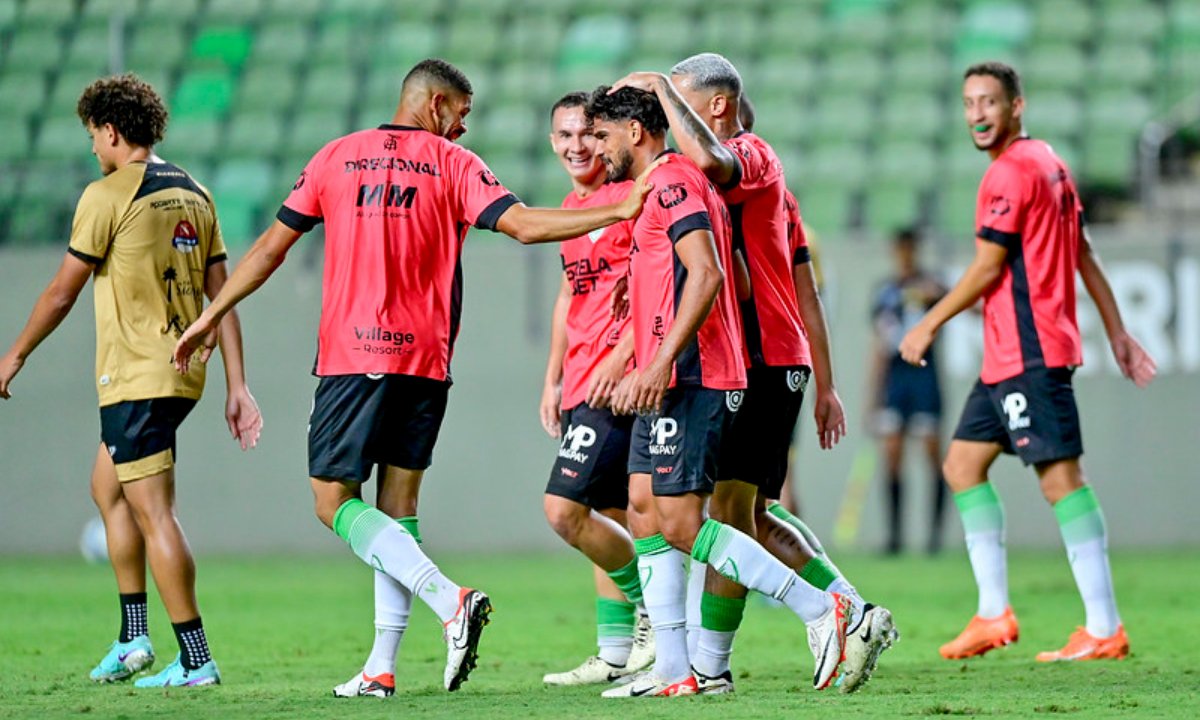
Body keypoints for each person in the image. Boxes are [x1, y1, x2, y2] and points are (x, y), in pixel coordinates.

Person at [171, 59, 660, 697]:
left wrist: (211, 313)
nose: (463, 124)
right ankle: (381, 665)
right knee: (397, 514)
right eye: (461, 111)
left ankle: (449, 601)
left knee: (331, 503)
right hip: (426, 363)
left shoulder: (337, 158)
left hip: (354, 357)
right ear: (433, 105)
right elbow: (523, 227)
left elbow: (269, 248)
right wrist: (621, 208)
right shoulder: (456, 165)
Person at [610, 54, 892, 696]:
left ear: (713, 109)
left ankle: (796, 629)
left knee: (733, 516)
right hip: (756, 358)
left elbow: (795, 288)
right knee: (742, 513)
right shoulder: (713, 184)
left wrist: (825, 381)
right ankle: (831, 616)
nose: (666, 115)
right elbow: (801, 288)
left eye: (679, 101)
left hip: (762, 359)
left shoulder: (753, 157)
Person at [0, 74, 262, 688]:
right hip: (179, 372)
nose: (94, 147)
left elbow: (62, 292)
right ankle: (133, 638)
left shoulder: (106, 195)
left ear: (112, 131)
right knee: (107, 488)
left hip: (138, 375)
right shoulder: (195, 192)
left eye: (94, 136)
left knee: (154, 513)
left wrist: (13, 356)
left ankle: (195, 657)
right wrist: (235, 384)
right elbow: (223, 296)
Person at [899, 61, 1157, 662]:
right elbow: (1083, 252)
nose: (978, 114)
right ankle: (993, 614)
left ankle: (1104, 626)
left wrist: (929, 321)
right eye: (969, 104)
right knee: (962, 465)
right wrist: (1116, 331)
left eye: (989, 102)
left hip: (1030, 353)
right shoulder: (1050, 162)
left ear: (1017, 106)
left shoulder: (1009, 175)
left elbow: (989, 268)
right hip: (1006, 358)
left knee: (1061, 480)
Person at [538, 91, 653, 685]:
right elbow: (568, 293)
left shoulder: (627, 201)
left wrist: (623, 356)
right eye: (564, 136)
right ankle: (614, 652)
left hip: (621, 382)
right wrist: (553, 377)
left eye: (586, 133)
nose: (576, 146)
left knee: (564, 510)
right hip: (583, 381)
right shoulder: (569, 209)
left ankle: (656, 613)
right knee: (607, 515)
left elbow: (657, 284)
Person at [869, 227, 949, 555]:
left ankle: (933, 538)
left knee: (931, 453)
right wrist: (872, 395)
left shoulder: (930, 285)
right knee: (892, 454)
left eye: (909, 248)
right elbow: (876, 345)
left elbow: (951, 300)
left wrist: (934, 294)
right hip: (895, 380)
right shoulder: (885, 292)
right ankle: (895, 537)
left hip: (924, 377)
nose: (905, 254)